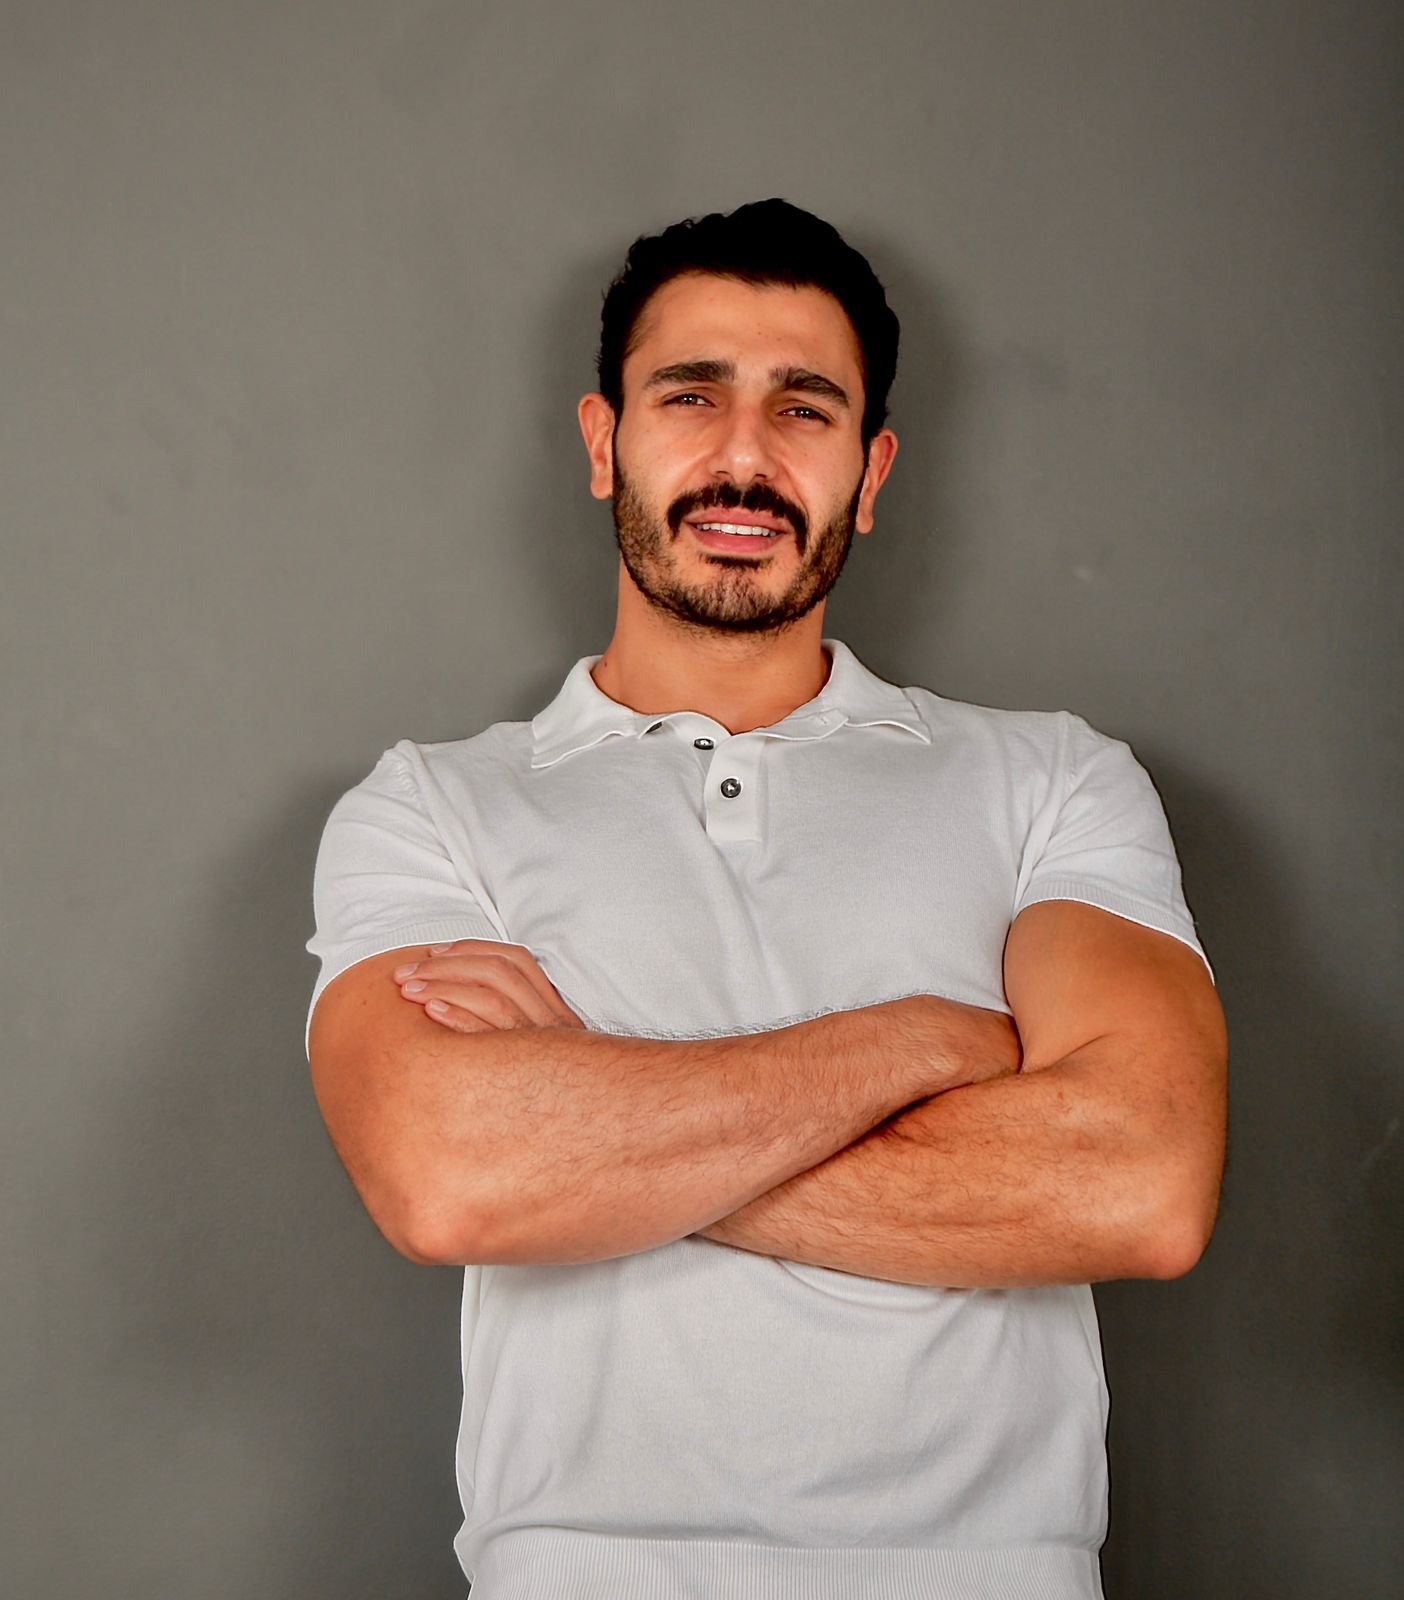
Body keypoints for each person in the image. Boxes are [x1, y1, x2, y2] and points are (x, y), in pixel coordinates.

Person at [305, 198, 1228, 1600]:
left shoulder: (1053, 779)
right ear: (604, 441)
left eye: (805, 409)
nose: (745, 457)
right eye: (692, 396)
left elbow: (1141, 1185)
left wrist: (589, 1112)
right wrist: (926, 1043)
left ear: (873, 468)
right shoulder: (432, 804)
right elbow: (449, 1181)